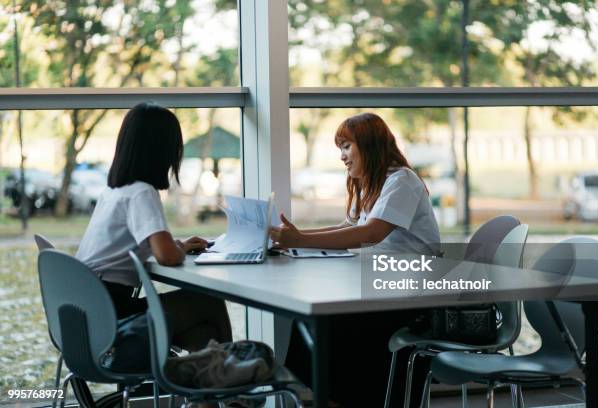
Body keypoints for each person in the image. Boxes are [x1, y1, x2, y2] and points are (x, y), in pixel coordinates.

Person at [270, 112, 440, 407]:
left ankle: (344, 398)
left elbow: (371, 234)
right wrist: (295, 238)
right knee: (308, 322)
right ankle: (339, 397)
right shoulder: (373, 183)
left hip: (412, 299)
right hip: (383, 287)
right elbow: (347, 227)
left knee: (329, 326)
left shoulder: (402, 181)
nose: (342, 157)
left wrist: (300, 240)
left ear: (369, 145)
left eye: (346, 146)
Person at [76, 102, 232, 352]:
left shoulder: (115, 191)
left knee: (204, 332)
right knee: (209, 301)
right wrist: (176, 250)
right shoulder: (141, 192)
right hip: (113, 316)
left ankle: (207, 384)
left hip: (90, 311)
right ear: (164, 151)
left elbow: (152, 246)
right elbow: (166, 256)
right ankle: (229, 380)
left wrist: (177, 245)